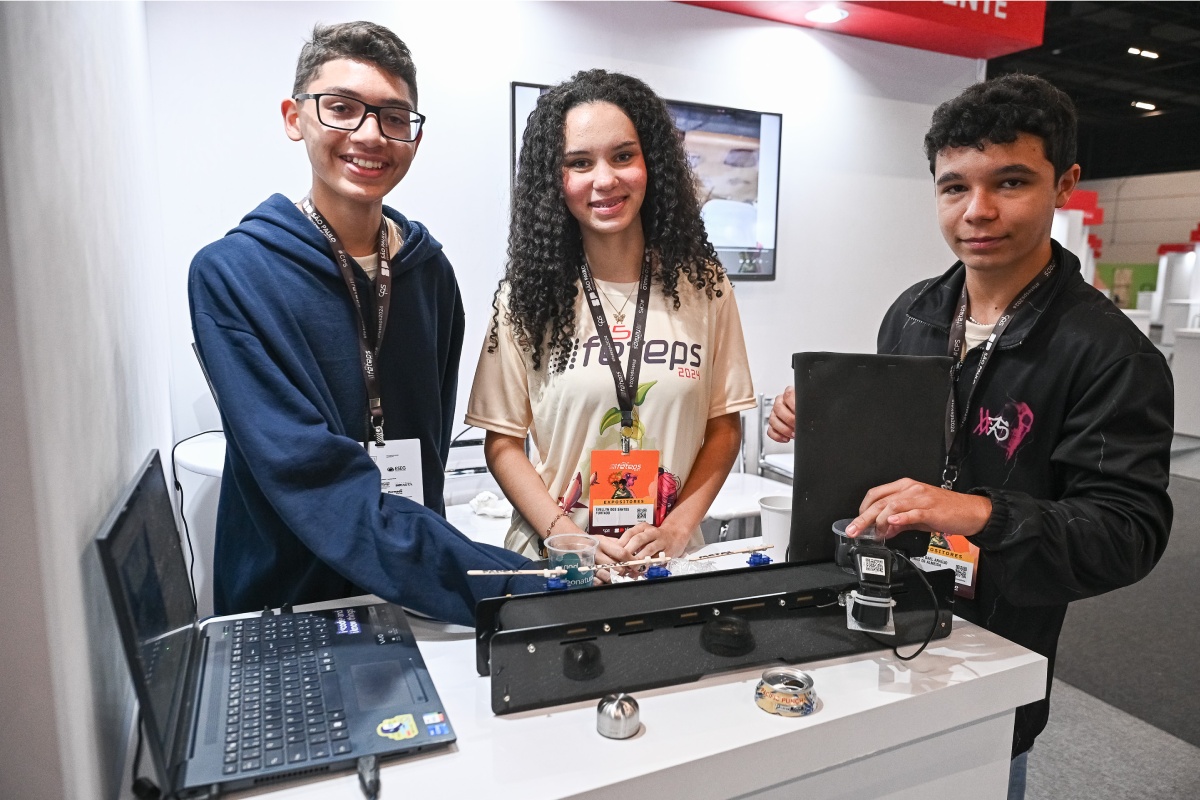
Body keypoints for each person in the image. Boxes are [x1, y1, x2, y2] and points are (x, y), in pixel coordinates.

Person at [768, 74, 1173, 796]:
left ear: (1065, 183)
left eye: (1010, 182)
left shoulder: (1108, 353)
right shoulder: (916, 313)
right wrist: (826, 421)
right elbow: (895, 460)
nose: (977, 211)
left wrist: (979, 513)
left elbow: (1125, 533)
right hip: (880, 619)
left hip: (997, 652)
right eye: (954, 187)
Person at [188, 21, 541, 626]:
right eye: (342, 108)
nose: (370, 134)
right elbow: (311, 474)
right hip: (290, 604)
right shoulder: (235, 274)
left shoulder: (429, 273)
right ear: (295, 117)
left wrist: (441, 576)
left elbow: (430, 444)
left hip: (414, 597)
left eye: (393, 117)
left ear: (414, 137)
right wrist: (504, 582)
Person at [465, 70, 756, 565]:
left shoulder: (705, 288)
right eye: (579, 162)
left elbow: (725, 428)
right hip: (558, 563)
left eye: (623, 156)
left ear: (651, 163)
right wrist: (568, 539)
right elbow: (503, 443)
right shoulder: (526, 298)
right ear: (555, 179)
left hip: (665, 562)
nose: (605, 180)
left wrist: (678, 528)